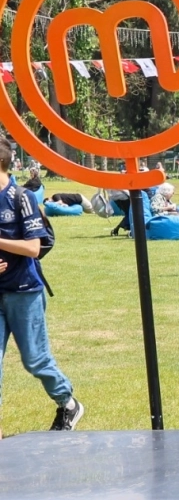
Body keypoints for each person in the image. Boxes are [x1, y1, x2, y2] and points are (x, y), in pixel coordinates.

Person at [0, 140, 84, 436]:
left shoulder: (21, 197)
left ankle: (68, 403)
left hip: (24, 291)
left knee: (35, 359)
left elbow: (34, 247)